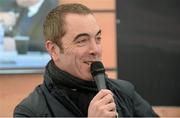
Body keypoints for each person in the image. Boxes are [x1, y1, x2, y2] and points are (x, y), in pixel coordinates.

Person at [13, 3, 159, 117]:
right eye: (82, 40)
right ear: (53, 50)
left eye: (98, 38)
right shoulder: (29, 112)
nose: (95, 49)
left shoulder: (125, 92)